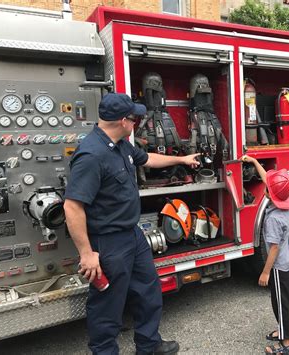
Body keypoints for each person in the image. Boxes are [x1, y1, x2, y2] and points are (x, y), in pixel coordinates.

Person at [64, 93, 200, 355]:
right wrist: (86, 253)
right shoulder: (92, 155)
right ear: (121, 121)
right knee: (108, 306)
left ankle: (149, 345)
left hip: (132, 235)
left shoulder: (120, 145)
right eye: (133, 119)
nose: (136, 123)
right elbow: (72, 206)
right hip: (108, 242)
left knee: (148, 291)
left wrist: (181, 160)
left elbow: (147, 159)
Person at [241, 155, 289, 355]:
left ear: (269, 195)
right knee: (288, 300)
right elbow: (270, 182)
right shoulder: (284, 202)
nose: (265, 186)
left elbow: (273, 249)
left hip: (278, 265)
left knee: (281, 302)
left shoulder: (273, 219)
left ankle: (287, 345)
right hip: (288, 261)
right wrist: (254, 162)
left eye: (267, 187)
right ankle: (285, 330)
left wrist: (265, 272)